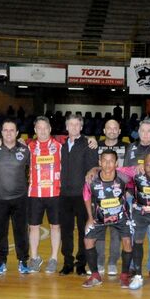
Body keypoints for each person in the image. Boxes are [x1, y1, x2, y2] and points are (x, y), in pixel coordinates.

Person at [81, 150, 134, 288]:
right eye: (104, 160)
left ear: (116, 163)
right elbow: (86, 197)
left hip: (121, 216)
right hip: (99, 216)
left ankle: (124, 276)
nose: (108, 164)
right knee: (88, 240)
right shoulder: (91, 179)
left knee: (127, 241)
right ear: (100, 162)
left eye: (111, 161)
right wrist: (90, 218)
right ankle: (95, 275)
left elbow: (139, 172)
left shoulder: (123, 175)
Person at [124, 119, 150, 279]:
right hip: (134, 198)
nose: (146, 134)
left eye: (149, 131)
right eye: (143, 131)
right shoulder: (131, 148)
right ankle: (135, 266)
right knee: (136, 233)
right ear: (138, 132)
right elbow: (126, 171)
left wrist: (149, 166)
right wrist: (128, 191)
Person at [0, 119, 32, 275]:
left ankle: (23, 261)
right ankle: (0, 262)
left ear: (17, 133)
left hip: (20, 198)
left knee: (21, 231)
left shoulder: (25, 150)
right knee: (0, 232)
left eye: (11, 130)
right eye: (5, 130)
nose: (8, 133)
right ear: (1, 132)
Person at [59, 114, 99, 275]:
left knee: (84, 231)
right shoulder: (60, 145)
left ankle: (81, 263)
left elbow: (93, 170)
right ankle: (67, 262)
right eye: (71, 124)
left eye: (77, 124)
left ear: (81, 127)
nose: (74, 127)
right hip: (64, 195)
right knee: (66, 231)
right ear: (67, 127)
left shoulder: (88, 144)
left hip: (82, 196)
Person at [26, 116, 63, 273]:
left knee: (55, 226)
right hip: (35, 193)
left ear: (50, 129)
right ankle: (34, 258)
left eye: (45, 127)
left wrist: (92, 139)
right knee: (33, 227)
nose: (42, 130)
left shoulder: (60, 146)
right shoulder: (29, 146)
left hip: (55, 193)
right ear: (35, 130)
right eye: (39, 128)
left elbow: (78, 137)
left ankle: (53, 258)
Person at [96, 119, 129, 276]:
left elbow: (129, 171)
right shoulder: (95, 145)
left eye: (115, 128)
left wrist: (128, 190)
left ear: (119, 131)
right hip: (100, 196)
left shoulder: (127, 147)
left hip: (119, 197)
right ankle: (100, 261)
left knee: (116, 232)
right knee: (100, 232)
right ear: (104, 130)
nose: (112, 130)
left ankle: (112, 262)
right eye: (109, 128)